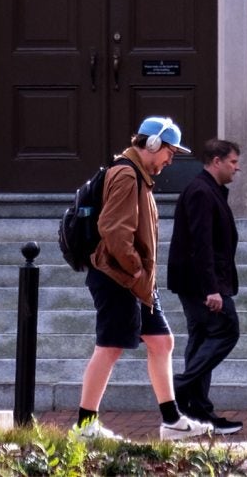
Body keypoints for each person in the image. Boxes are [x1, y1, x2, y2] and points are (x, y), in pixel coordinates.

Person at [74, 116, 214, 442]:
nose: (170, 159)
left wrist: (140, 275)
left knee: (161, 342)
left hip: (136, 281)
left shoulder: (138, 176)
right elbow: (113, 230)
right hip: (118, 277)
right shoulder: (125, 174)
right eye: (169, 152)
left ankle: (172, 422)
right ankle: (84, 427)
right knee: (110, 347)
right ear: (152, 144)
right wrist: (135, 268)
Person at [165, 138, 244, 435]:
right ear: (216, 161)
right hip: (201, 283)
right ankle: (179, 388)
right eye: (233, 162)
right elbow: (201, 244)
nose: (236, 168)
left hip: (200, 281)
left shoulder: (209, 191)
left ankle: (196, 412)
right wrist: (211, 289)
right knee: (226, 330)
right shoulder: (200, 191)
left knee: (200, 340)